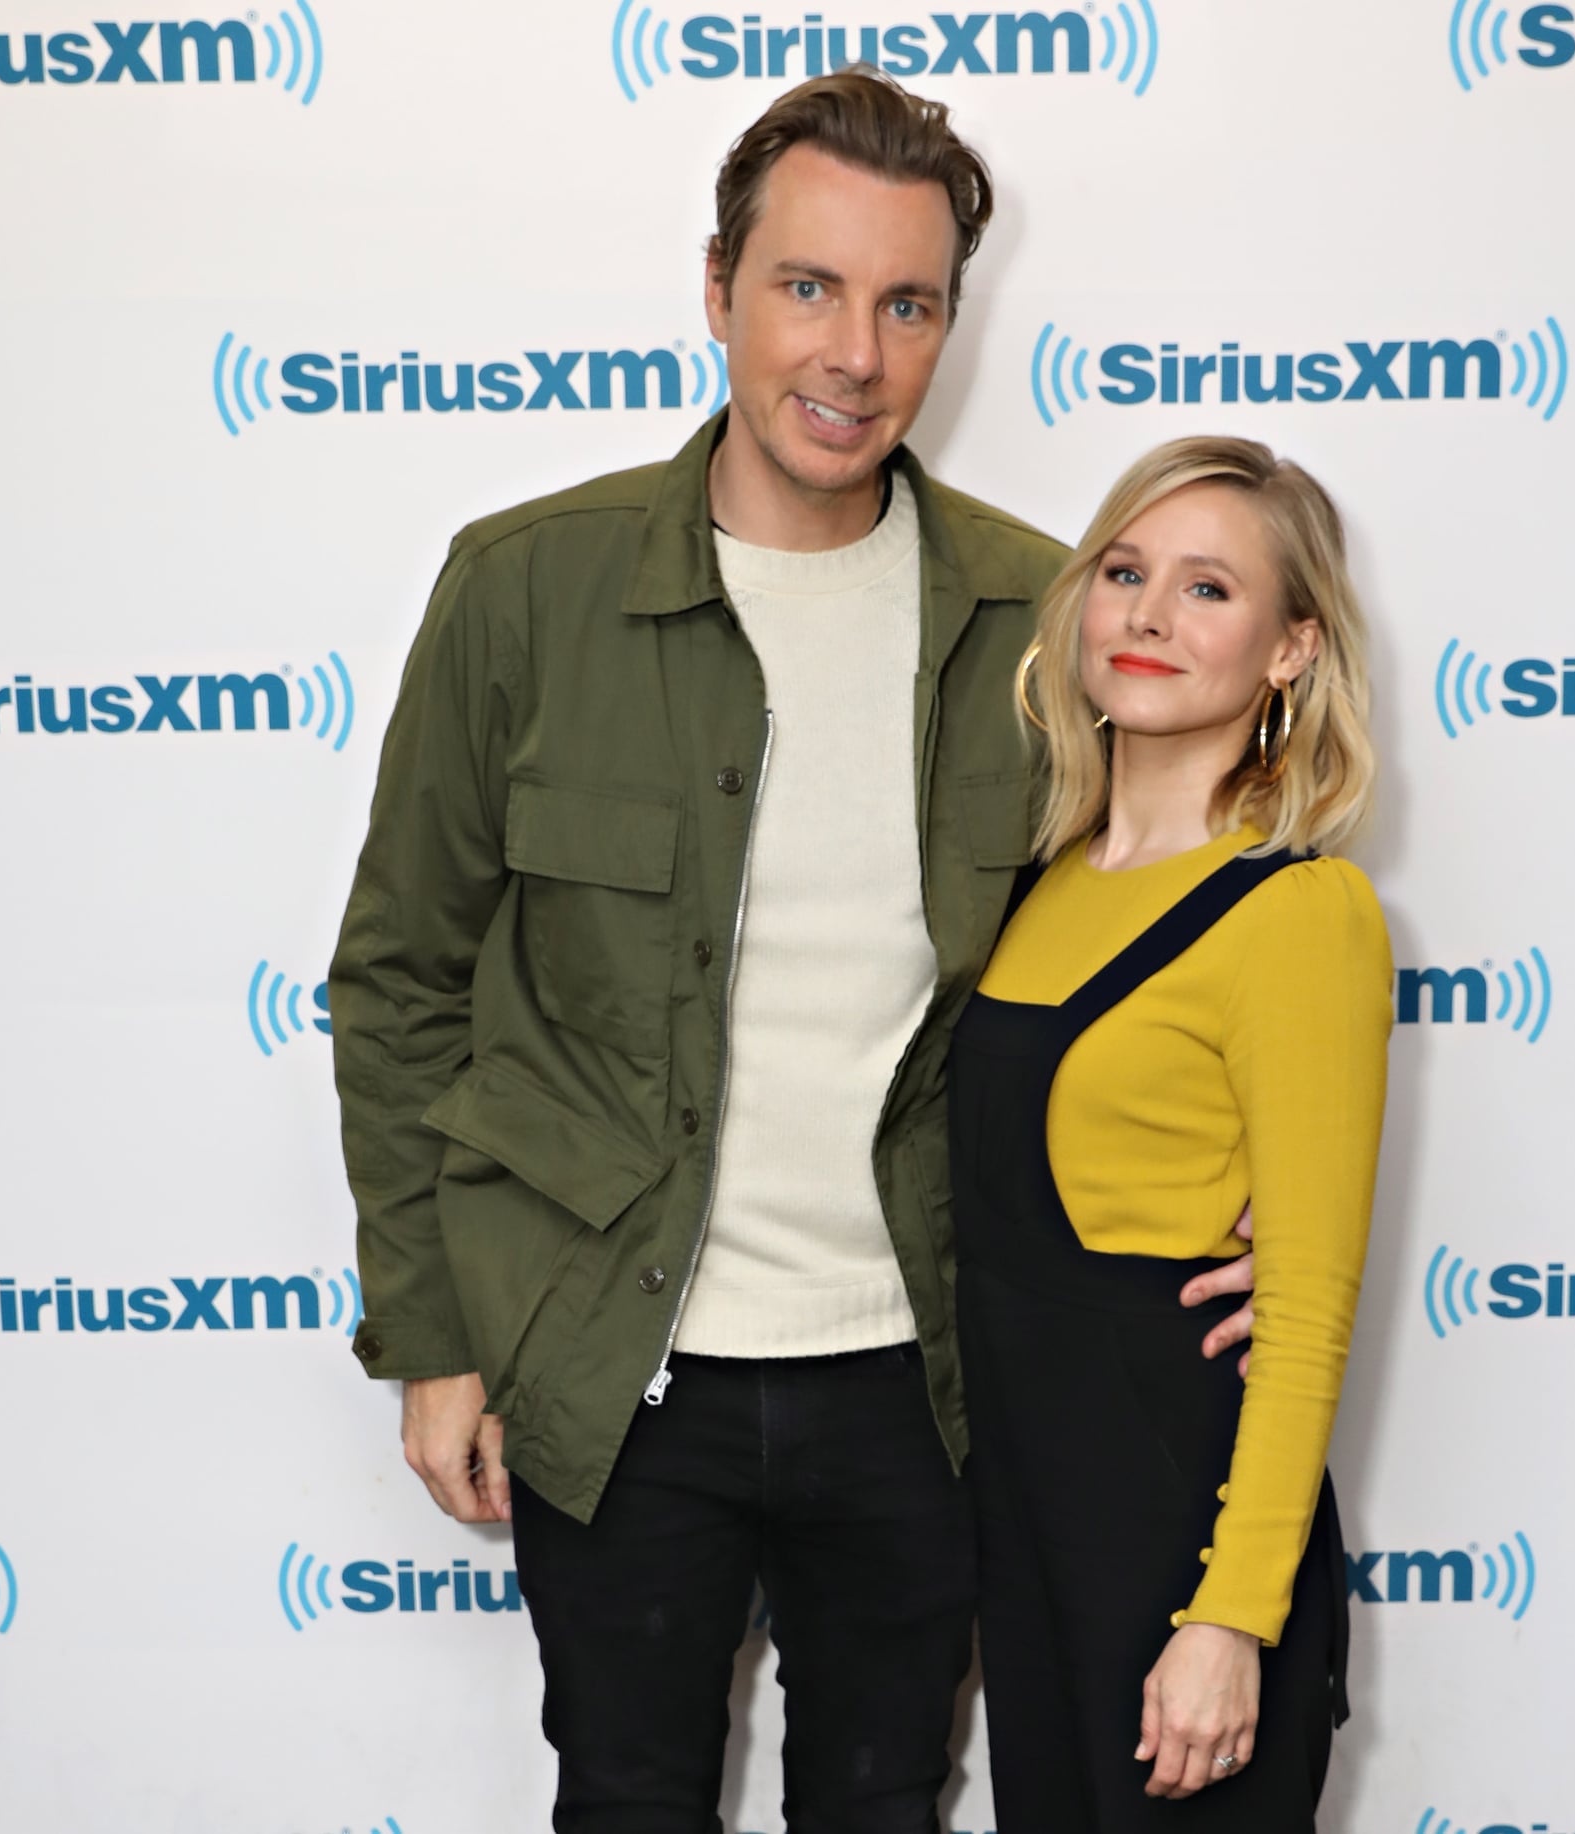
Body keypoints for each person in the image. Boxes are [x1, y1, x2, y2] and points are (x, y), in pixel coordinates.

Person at [327, 72, 1257, 1833]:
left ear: (950, 328)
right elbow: (399, 980)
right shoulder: (525, 588)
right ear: (717, 290)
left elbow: (1194, 930)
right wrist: (436, 1331)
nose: (853, 351)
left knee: (884, 1805)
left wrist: (1266, 1186)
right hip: (614, 1365)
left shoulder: (1042, 617)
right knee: (625, 1799)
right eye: (807, 288)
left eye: (907, 303)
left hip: (929, 1377)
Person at [952, 435, 1391, 1831]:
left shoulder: (1300, 912)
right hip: (1029, 1531)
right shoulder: (1031, 885)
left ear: (1290, 649)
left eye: (1209, 588)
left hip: (1180, 1528)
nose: (1147, 613)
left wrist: (1231, 1618)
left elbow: (1309, 1309)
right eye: (1126, 572)